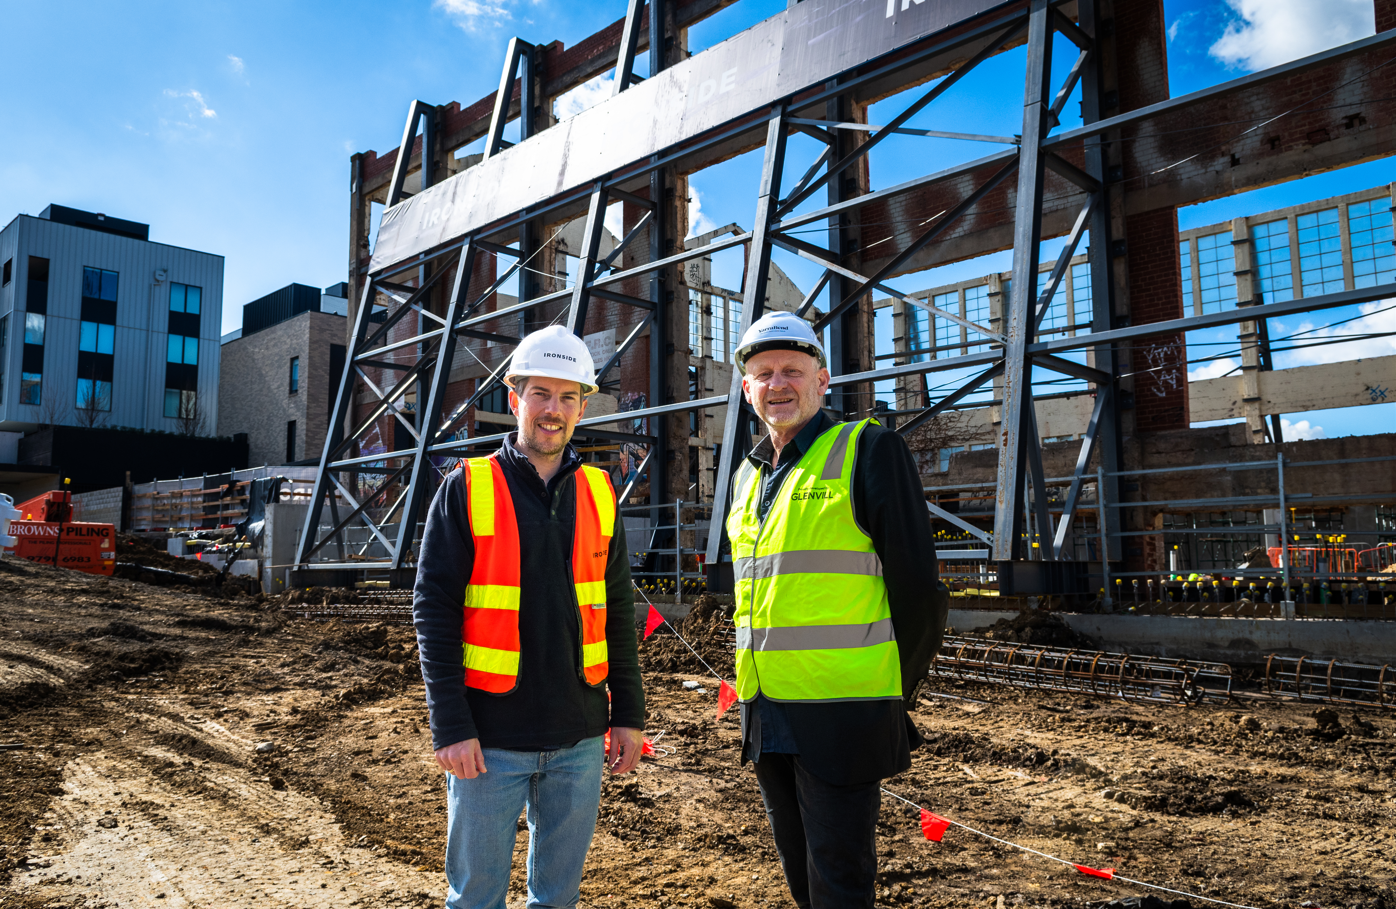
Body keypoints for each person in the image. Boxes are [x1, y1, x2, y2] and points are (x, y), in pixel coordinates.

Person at [413, 324, 646, 909]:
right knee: (475, 899)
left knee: (557, 901)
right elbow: (433, 611)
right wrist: (451, 725)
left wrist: (629, 715)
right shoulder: (466, 487)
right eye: (541, 393)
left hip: (581, 738)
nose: (553, 410)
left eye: (568, 397)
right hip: (489, 742)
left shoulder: (599, 492)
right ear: (514, 399)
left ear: (582, 405)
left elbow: (618, 610)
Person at [724, 311, 948, 909]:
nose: (778, 384)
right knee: (800, 872)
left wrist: (891, 691)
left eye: (792, 371)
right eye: (763, 373)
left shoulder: (868, 450)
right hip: (767, 710)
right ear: (747, 390)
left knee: (840, 882)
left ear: (822, 381)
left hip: (843, 712)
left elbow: (920, 594)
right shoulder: (748, 476)